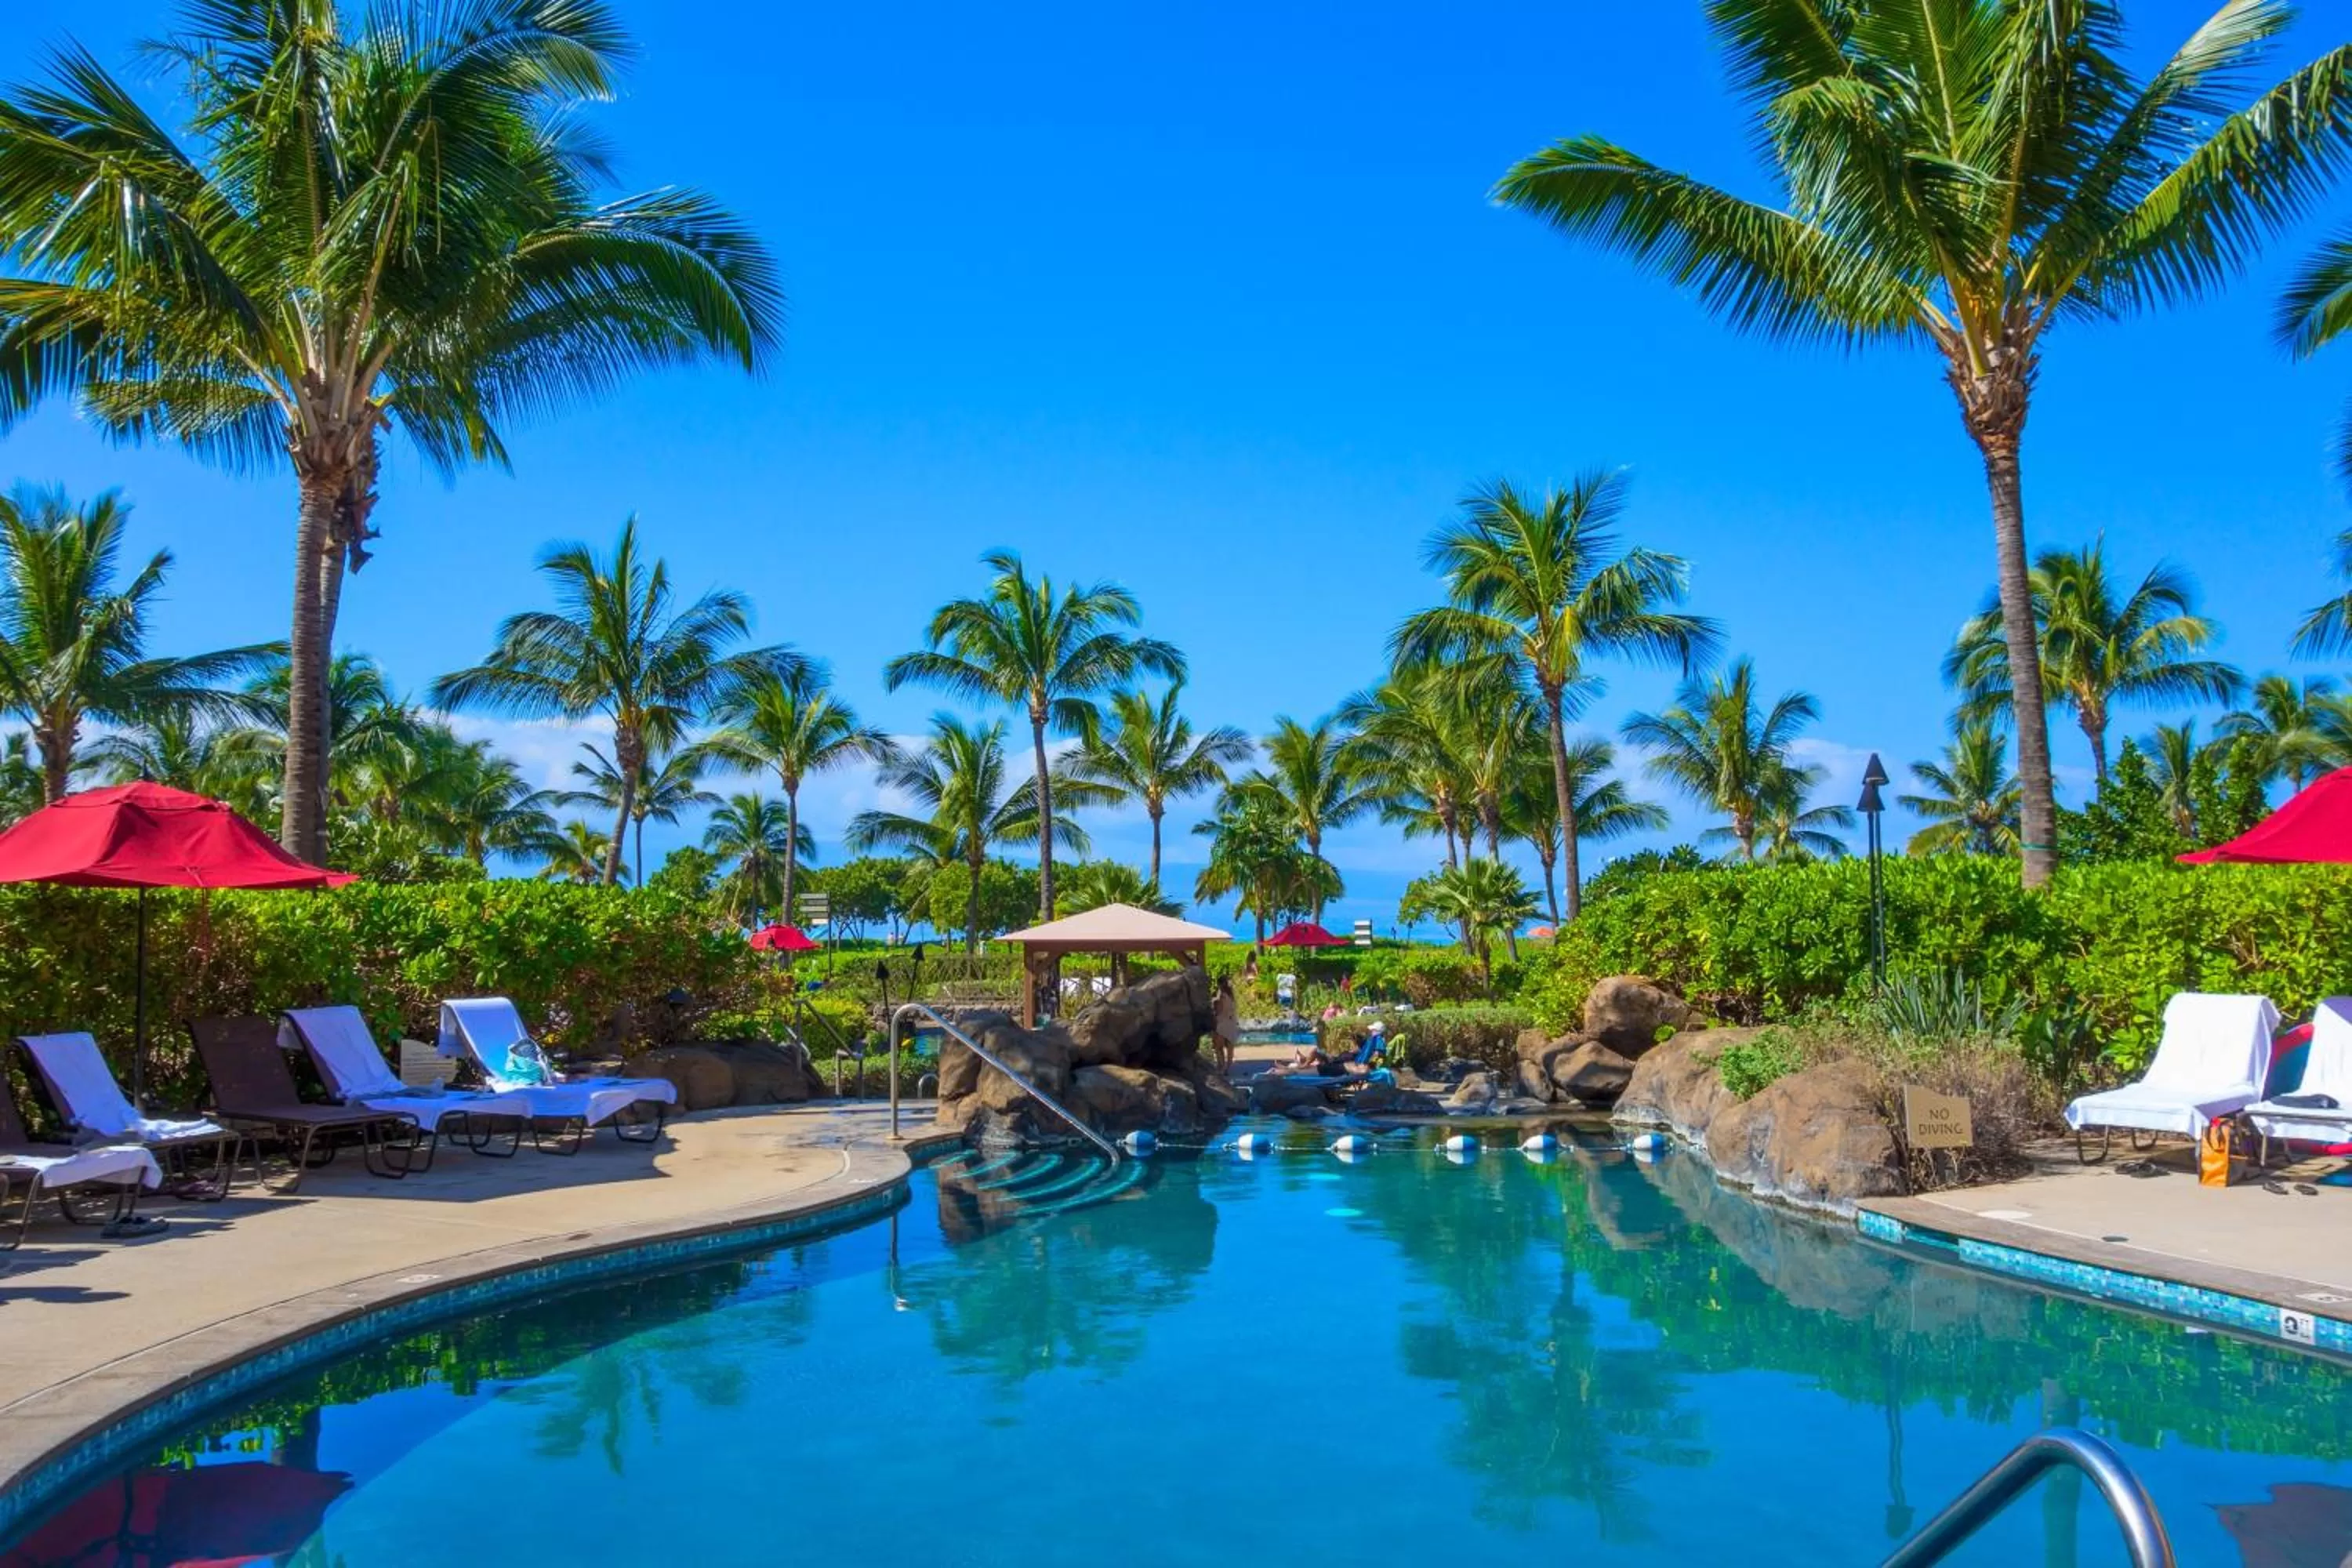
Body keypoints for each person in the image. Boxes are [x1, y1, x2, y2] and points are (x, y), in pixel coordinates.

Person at [1212, 977, 1240, 1073]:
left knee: (1218, 1047)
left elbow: (1220, 1010)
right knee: (1230, 1047)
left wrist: (1214, 1004)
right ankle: (1227, 1068)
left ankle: (1221, 1066)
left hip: (1223, 1023)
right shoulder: (1231, 995)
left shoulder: (1222, 995)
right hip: (1232, 1023)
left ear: (1219, 984)